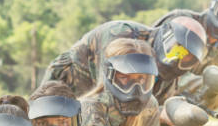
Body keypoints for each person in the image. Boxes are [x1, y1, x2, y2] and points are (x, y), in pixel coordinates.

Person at [41, 16, 206, 106]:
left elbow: (153, 114)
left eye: (187, 58)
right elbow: (107, 96)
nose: (177, 59)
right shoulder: (122, 34)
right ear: (165, 35)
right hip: (69, 81)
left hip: (101, 102)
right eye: (176, 49)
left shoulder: (168, 78)